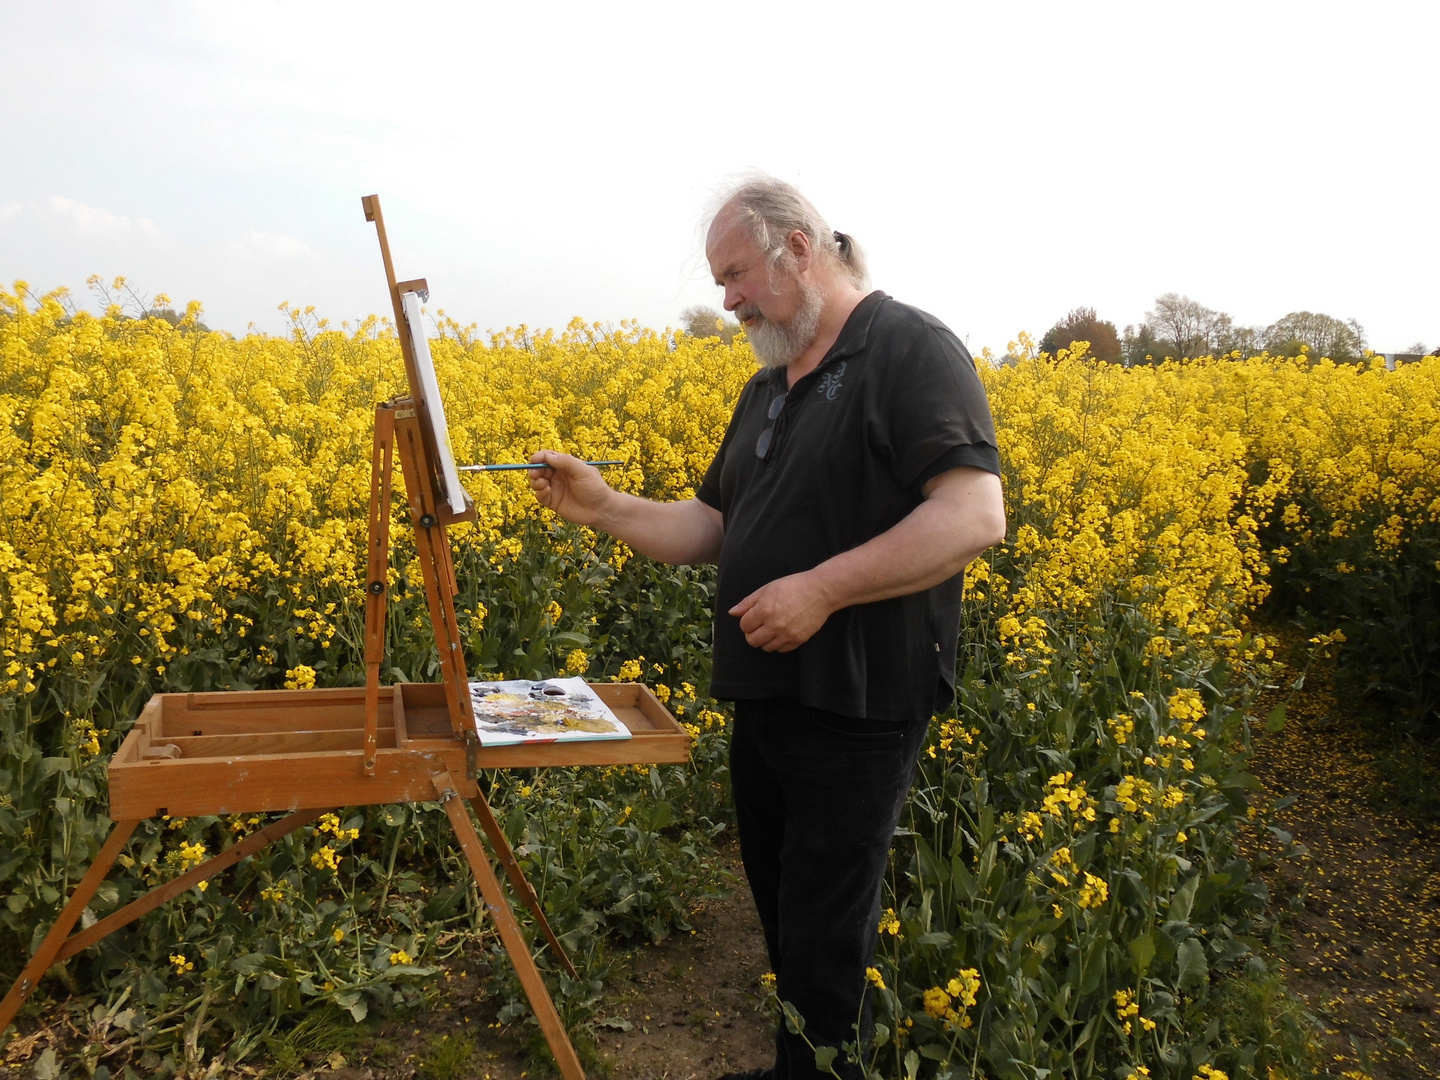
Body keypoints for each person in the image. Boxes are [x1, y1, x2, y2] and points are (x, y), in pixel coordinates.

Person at [528, 176, 1006, 1080]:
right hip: (770, 695)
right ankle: (804, 1066)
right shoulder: (770, 388)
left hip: (858, 703)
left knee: (827, 926)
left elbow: (974, 514)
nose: (727, 299)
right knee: (787, 914)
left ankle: (824, 1069)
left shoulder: (909, 349)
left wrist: (823, 589)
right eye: (719, 281)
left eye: (736, 274)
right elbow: (714, 526)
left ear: (797, 247)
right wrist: (604, 508)